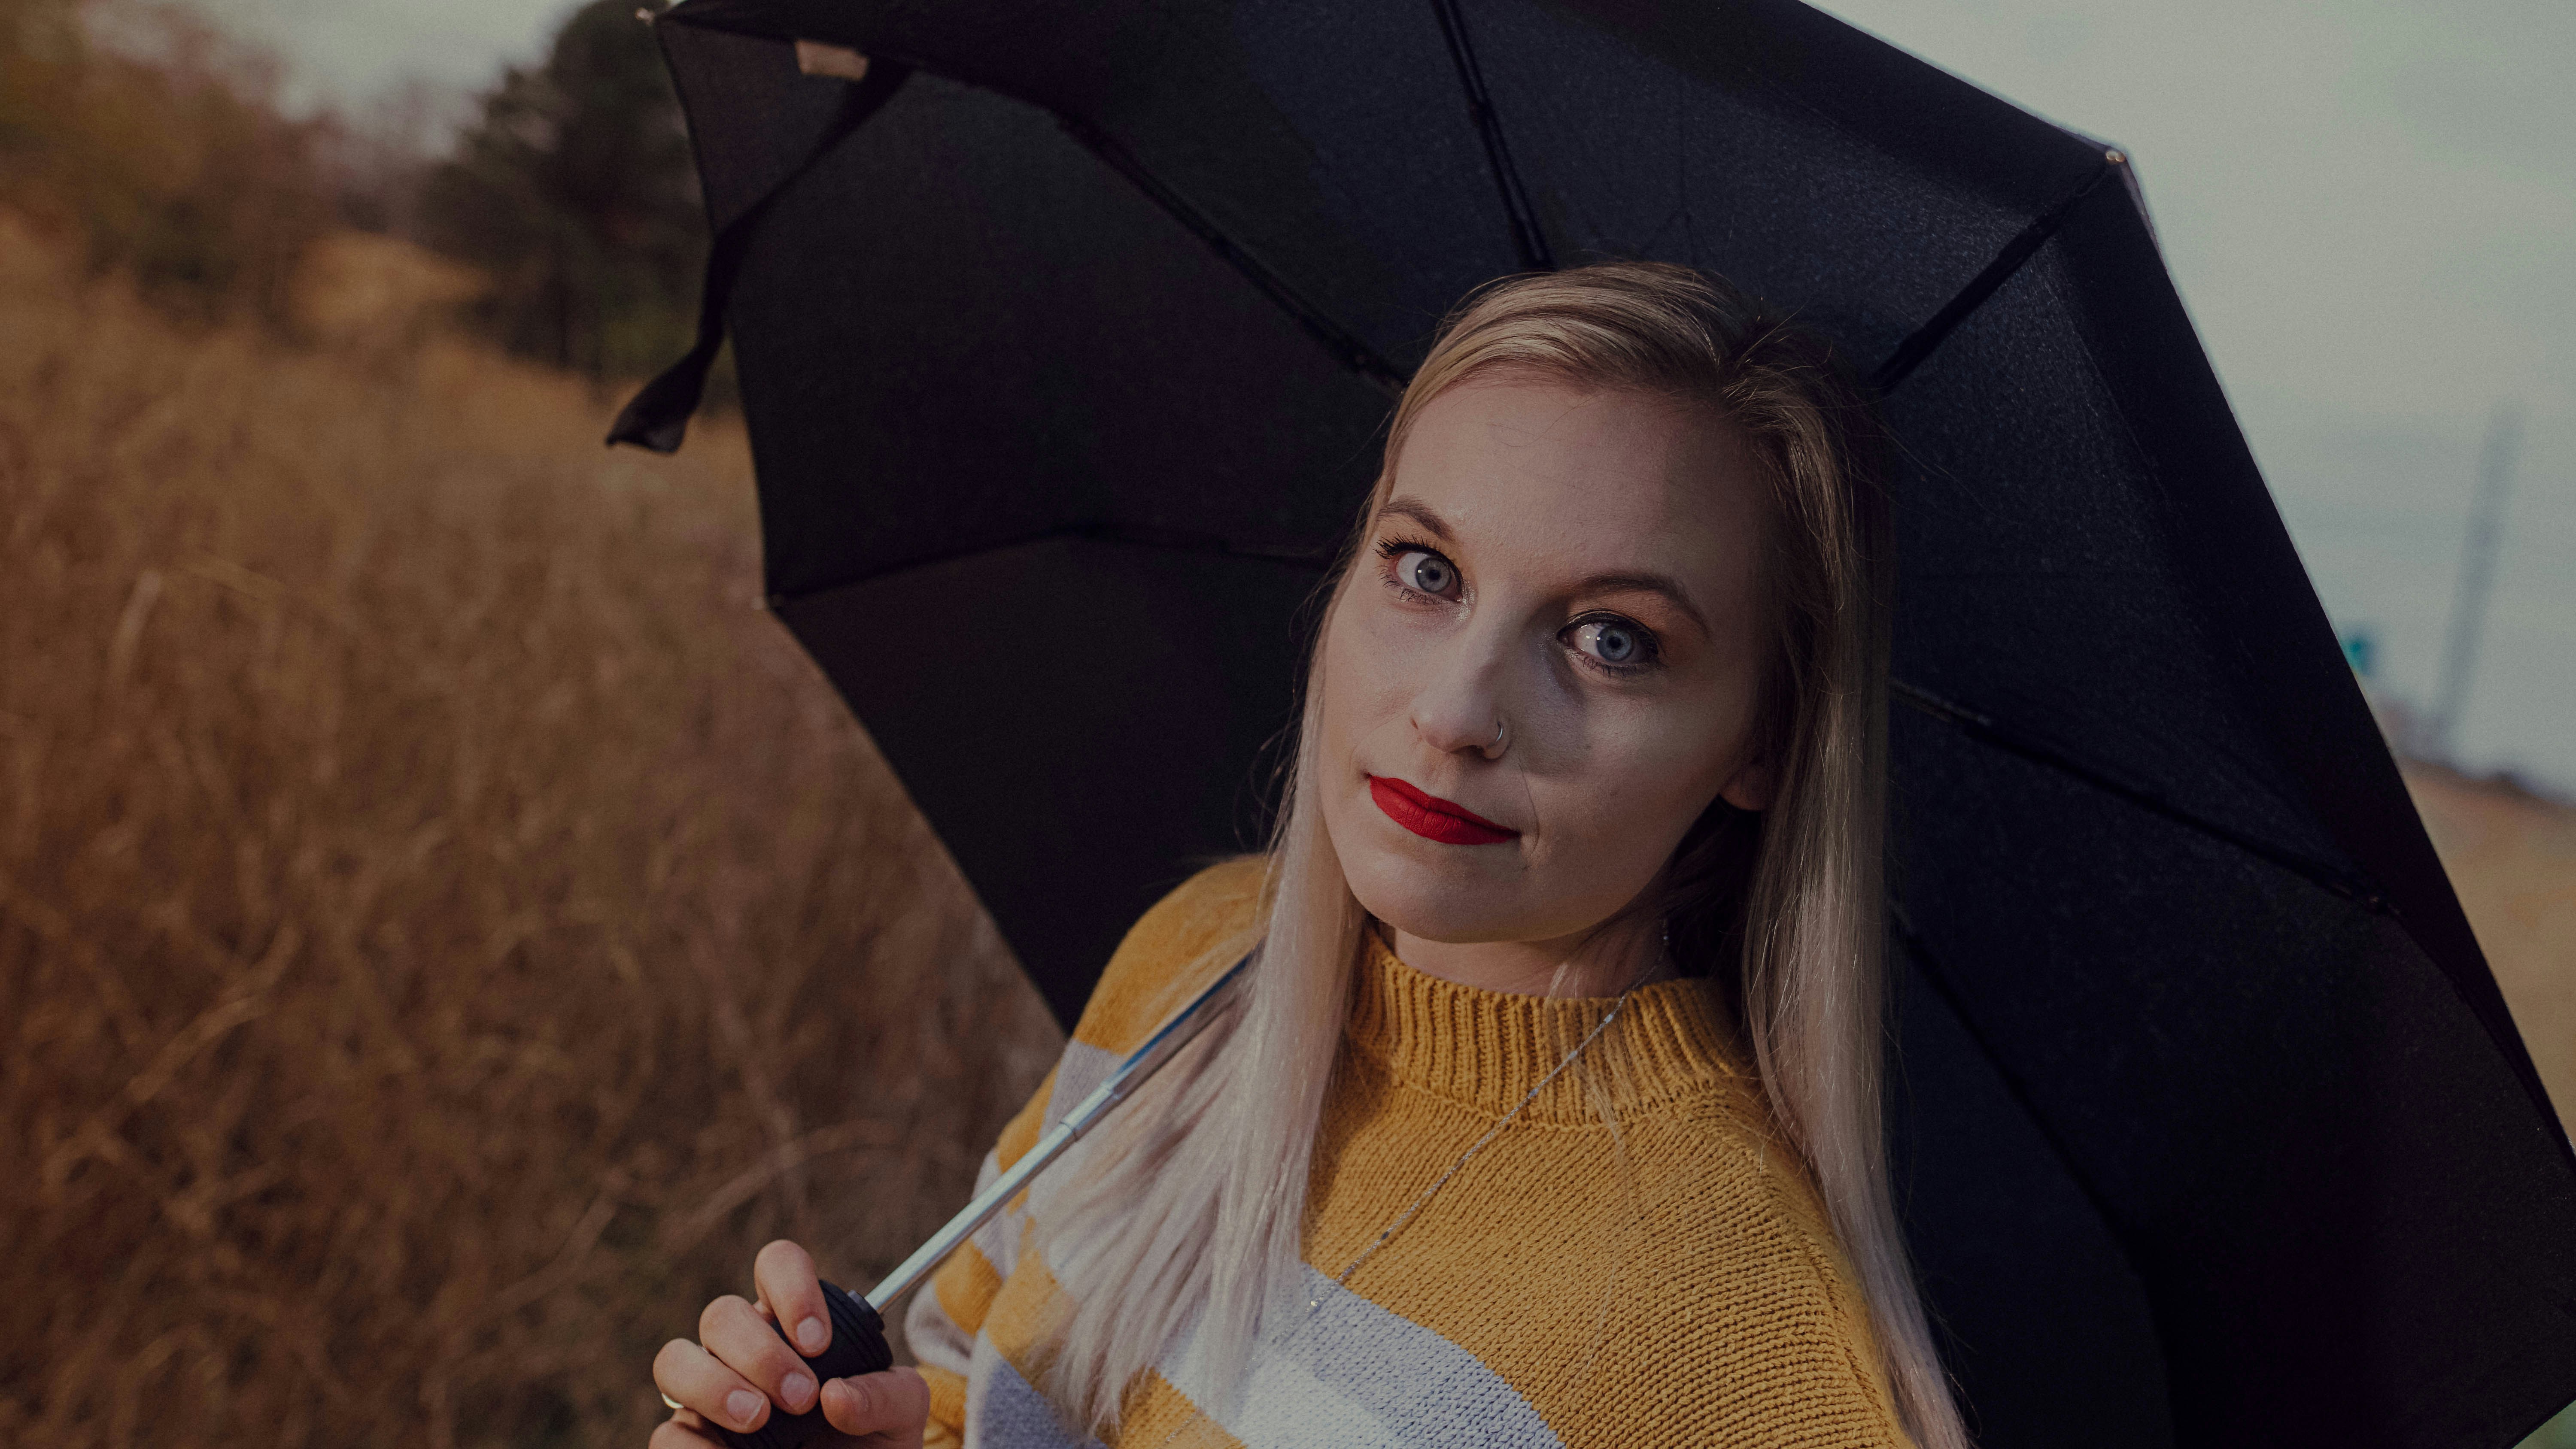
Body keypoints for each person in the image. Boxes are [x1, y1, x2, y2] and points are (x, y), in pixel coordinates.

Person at [650, 261, 1972, 1449]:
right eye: (1426, 570)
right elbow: (962, 1383)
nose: (1455, 713)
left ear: (1764, 746)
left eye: (1612, 639)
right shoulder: (1199, 953)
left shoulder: (1745, 1366)